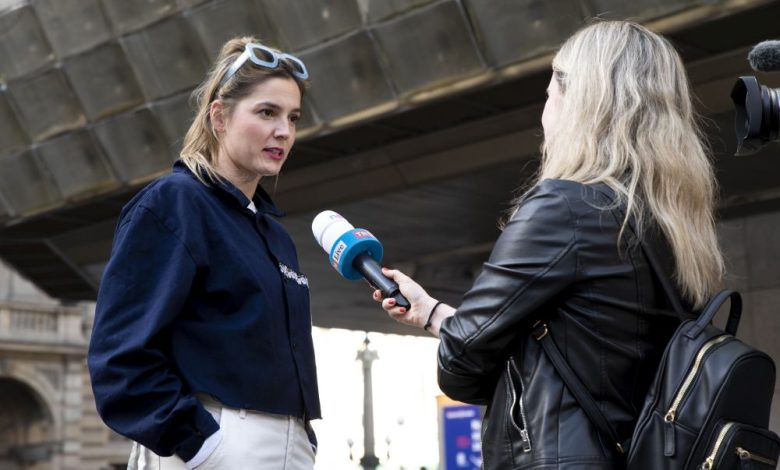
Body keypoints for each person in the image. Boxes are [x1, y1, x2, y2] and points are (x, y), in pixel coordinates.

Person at [373, 21, 725, 469]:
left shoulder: (565, 206)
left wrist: (458, 336)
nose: (543, 113)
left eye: (549, 93)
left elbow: (462, 363)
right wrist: (432, 313)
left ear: (577, 101)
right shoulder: (676, 230)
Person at [88, 37, 319, 470]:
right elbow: (119, 354)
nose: (284, 131)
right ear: (219, 117)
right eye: (266, 112)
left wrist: (301, 438)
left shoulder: (274, 234)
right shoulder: (174, 203)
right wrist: (198, 442)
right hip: (215, 444)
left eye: (293, 117)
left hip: (287, 448)